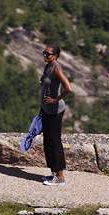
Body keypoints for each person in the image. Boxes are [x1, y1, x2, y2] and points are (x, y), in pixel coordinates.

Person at [40, 46, 72, 186]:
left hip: (55, 110)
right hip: (46, 109)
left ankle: (60, 177)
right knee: (47, 141)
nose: (45, 55)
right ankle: (53, 172)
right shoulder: (48, 66)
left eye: (48, 53)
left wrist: (55, 99)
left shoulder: (56, 68)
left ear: (56, 55)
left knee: (54, 141)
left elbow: (68, 88)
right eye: (44, 53)